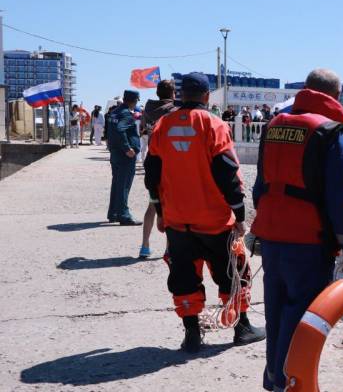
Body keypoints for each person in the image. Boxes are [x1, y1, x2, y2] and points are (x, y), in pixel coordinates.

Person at [250, 68, 343, 392]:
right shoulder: (331, 134)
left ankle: (273, 379)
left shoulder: (274, 126)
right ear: (335, 97)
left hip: (272, 237)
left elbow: (260, 184)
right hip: (309, 242)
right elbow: (340, 199)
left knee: (276, 311)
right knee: (300, 321)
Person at [144, 72, 265, 352]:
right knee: (233, 273)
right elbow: (227, 172)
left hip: (177, 219)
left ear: (180, 95)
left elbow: (152, 174)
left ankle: (191, 334)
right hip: (214, 220)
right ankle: (242, 327)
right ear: (207, 97)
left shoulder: (162, 125)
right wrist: (240, 215)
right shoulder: (214, 124)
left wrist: (161, 212)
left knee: (183, 276)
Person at [139, 80, 178, 258]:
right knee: (169, 207)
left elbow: (142, 130)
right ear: (172, 93)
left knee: (153, 204)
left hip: (151, 159)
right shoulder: (172, 110)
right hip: (168, 161)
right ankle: (170, 248)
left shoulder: (147, 109)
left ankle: (145, 246)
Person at [107, 91, 142, 226]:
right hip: (125, 156)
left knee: (117, 184)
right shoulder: (126, 113)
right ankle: (123, 214)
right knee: (124, 185)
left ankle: (114, 212)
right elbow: (121, 130)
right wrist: (127, 148)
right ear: (133, 101)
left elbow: (112, 131)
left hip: (115, 153)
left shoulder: (115, 112)